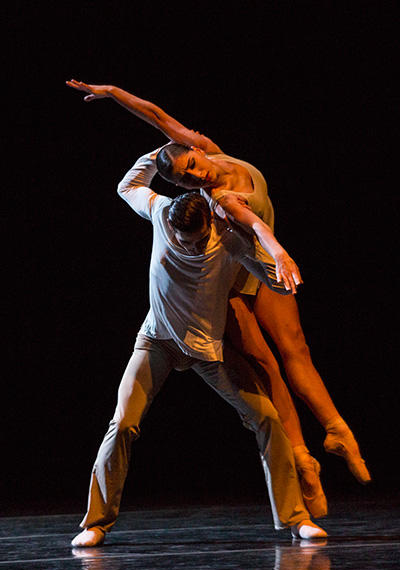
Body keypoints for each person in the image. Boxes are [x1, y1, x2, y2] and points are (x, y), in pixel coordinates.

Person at [66, 81, 371, 511]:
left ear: (196, 150)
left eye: (192, 164)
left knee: (295, 348)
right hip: (239, 268)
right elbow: (256, 226)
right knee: (265, 366)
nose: (197, 175)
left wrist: (114, 93)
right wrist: (280, 250)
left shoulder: (208, 150)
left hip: (257, 263)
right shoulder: (221, 202)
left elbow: (156, 116)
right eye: (187, 177)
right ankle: (303, 461)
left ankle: (337, 430)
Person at [71, 149, 327, 547]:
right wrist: (159, 155)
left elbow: (267, 275)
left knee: (267, 420)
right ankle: (95, 523)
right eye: (178, 241)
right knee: (122, 423)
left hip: (208, 351)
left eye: (192, 243)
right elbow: (128, 186)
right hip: (156, 340)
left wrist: (280, 271)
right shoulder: (161, 212)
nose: (184, 247)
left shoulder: (227, 238)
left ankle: (296, 518)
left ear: (207, 227)